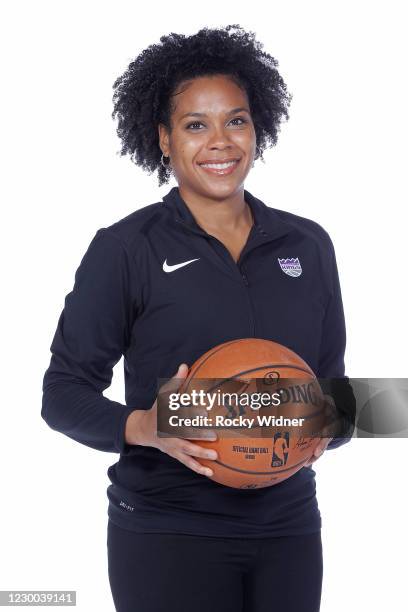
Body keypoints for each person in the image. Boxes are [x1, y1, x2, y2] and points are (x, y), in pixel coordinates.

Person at [41, 24, 354, 612]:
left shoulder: (308, 244)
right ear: (163, 139)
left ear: (257, 127)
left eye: (236, 120)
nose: (221, 142)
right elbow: (60, 394)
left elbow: (332, 392)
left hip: (289, 527)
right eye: (195, 125)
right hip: (167, 530)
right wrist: (145, 426)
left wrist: (330, 426)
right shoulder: (125, 247)